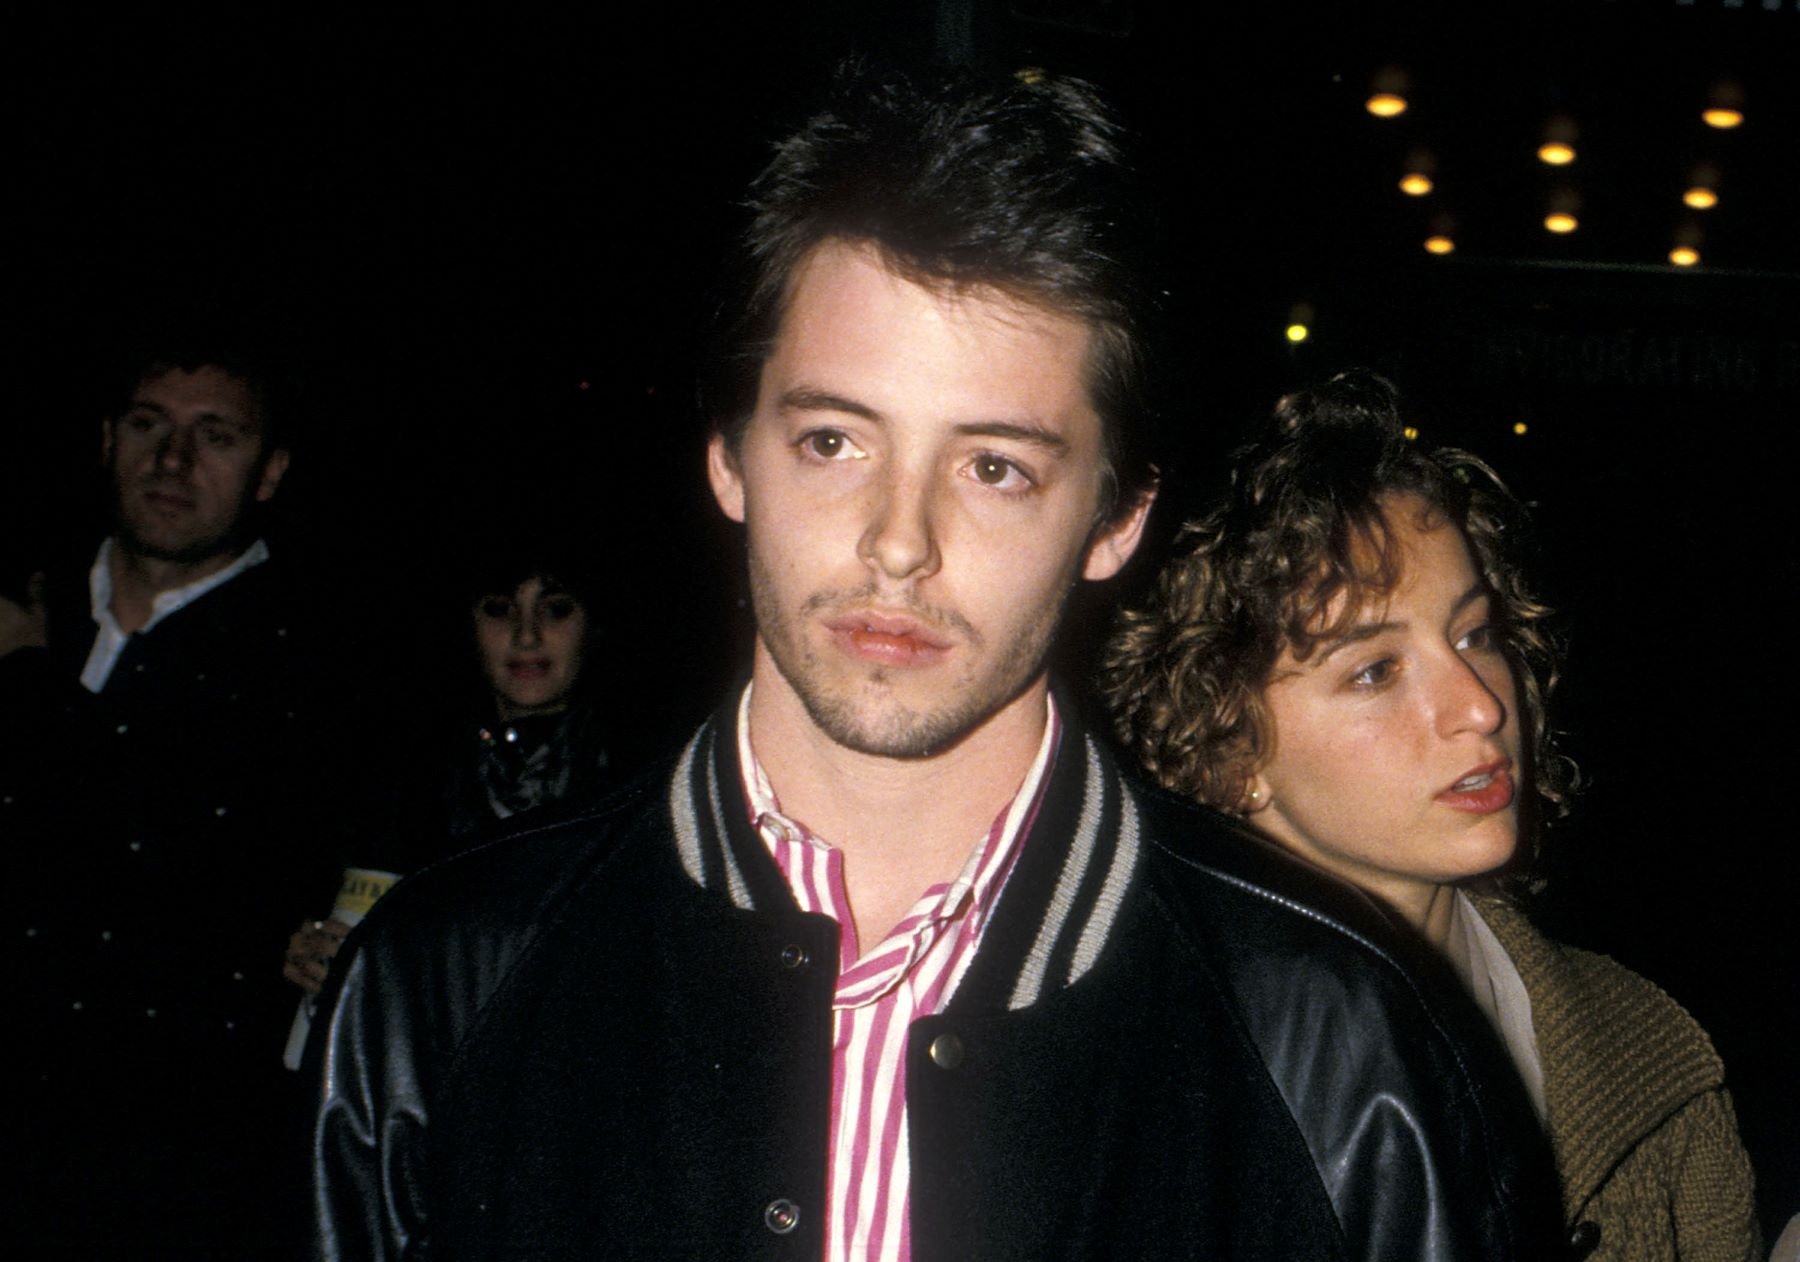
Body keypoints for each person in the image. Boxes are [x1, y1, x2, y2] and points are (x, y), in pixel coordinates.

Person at [310, 66, 1564, 1259]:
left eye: (995, 467)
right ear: (731, 455)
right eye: (834, 442)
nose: (898, 543)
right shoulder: (443, 985)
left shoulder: (1344, 1048)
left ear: (1116, 519)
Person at [1103, 371, 1760, 1261]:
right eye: (1375, 671)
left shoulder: (1647, 1053)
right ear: (1226, 747)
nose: (1481, 707)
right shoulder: (1145, 1091)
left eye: (1476, 634)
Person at [12, 347, 337, 1256]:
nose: (173, 460)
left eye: (216, 436)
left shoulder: (319, 668)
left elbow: (158, 877)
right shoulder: (33, 596)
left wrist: (27, 684)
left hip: (167, 1182)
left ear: (270, 471)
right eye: (151, 425)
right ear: (108, 439)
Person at [283, 543, 612, 1000]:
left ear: (594, 623)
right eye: (500, 610)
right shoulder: (402, 769)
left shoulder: (642, 776)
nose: (527, 636)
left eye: (555, 610)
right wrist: (307, 951)